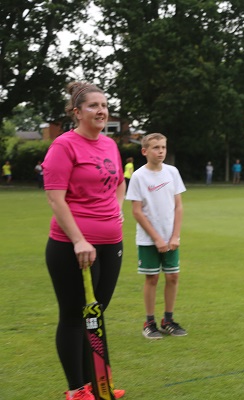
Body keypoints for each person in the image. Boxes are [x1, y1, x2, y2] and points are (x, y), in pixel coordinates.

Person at [42, 81, 126, 400]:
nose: (101, 110)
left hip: (110, 242)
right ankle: (77, 389)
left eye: (104, 105)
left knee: (96, 313)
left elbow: (119, 182)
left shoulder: (109, 145)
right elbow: (55, 198)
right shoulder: (64, 146)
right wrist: (79, 240)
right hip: (72, 246)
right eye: (93, 106)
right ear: (77, 112)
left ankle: (99, 386)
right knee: (74, 315)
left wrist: (116, 208)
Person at [126, 132, 188, 340]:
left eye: (163, 147)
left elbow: (178, 206)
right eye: (155, 148)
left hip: (171, 238)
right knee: (152, 278)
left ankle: (168, 320)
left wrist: (175, 236)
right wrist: (157, 239)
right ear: (145, 151)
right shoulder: (138, 176)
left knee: (173, 276)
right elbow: (136, 211)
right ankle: (149, 322)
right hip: (148, 239)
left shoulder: (172, 172)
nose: (160, 151)